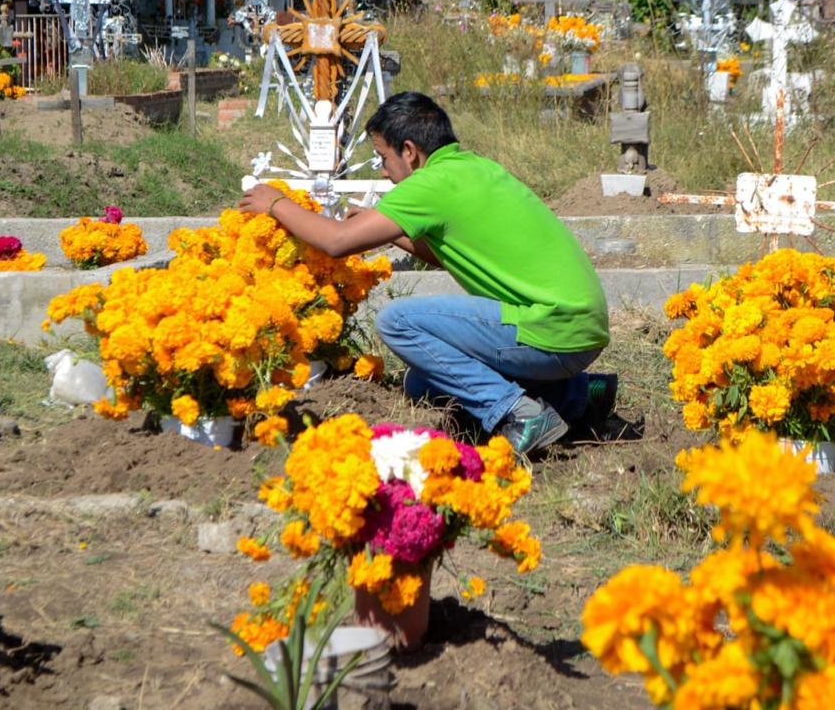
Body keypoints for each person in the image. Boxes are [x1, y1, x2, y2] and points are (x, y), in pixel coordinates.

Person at [239, 91, 616, 454]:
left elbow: (337, 242)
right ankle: (579, 395)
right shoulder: (473, 168)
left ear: (409, 151)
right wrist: (397, 234)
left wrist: (276, 203)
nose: (385, 173)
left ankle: (518, 413)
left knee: (397, 323)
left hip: (549, 329)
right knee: (423, 381)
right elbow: (454, 255)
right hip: (581, 329)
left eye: (382, 158)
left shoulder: (428, 184)